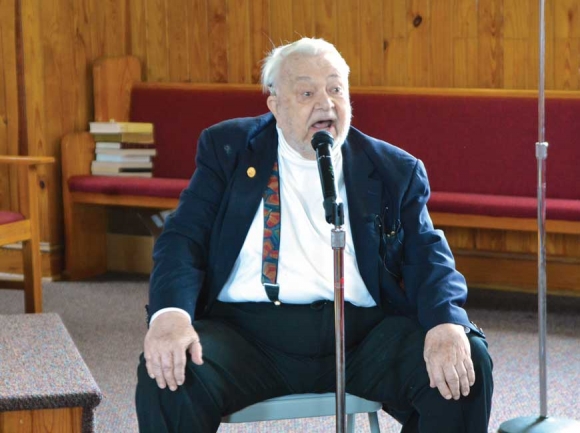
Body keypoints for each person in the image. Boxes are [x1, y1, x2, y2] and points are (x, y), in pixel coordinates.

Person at [135, 37, 493, 432]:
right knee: (169, 369)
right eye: (307, 92)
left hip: (363, 337)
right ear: (275, 105)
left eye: (336, 89)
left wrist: (445, 322)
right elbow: (182, 239)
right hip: (246, 335)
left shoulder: (392, 169)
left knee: (465, 362)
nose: (326, 104)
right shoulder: (230, 150)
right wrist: (170, 316)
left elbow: (428, 254)